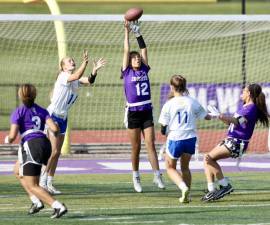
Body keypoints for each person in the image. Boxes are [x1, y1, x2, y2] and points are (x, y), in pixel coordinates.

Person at [39, 50, 106, 194]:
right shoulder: (64, 76)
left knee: (57, 153)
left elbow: (89, 81)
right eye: (69, 61)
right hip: (53, 115)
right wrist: (85, 63)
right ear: (63, 67)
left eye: (72, 60)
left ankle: (49, 182)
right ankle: (42, 181)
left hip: (63, 117)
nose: (72, 61)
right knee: (54, 150)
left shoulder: (74, 79)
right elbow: (77, 75)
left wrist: (94, 71)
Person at [4, 84, 67, 218]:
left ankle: (57, 206)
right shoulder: (42, 111)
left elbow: (12, 136)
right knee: (17, 171)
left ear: (20, 95)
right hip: (44, 144)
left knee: (32, 185)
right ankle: (36, 201)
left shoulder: (19, 112)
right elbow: (55, 130)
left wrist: (7, 140)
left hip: (31, 145)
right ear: (35, 95)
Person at [202, 83, 269, 202]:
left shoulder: (251, 108)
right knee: (207, 159)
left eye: (244, 91)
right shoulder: (245, 107)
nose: (241, 93)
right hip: (232, 140)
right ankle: (211, 190)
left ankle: (224, 186)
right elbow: (232, 123)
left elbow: (237, 121)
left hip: (237, 143)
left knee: (209, 159)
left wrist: (220, 116)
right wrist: (216, 116)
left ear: (249, 93)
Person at [122, 20, 165, 193]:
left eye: (138, 58)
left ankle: (157, 175)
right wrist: (126, 32)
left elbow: (144, 49)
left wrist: (137, 33)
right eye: (134, 58)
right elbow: (126, 50)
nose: (137, 59)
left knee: (151, 144)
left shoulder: (144, 69)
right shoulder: (126, 71)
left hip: (147, 110)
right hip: (133, 111)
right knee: (136, 147)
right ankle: (136, 177)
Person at [158, 75, 211, 203]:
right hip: (190, 138)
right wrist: (213, 114)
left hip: (175, 137)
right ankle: (188, 196)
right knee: (185, 167)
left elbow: (163, 126)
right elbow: (206, 117)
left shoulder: (169, 104)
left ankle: (183, 188)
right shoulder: (192, 101)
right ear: (184, 86)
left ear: (172, 87)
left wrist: (164, 132)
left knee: (170, 167)